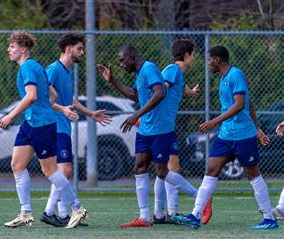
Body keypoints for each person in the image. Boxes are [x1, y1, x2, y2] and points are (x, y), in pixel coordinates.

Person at [172, 46, 278, 230]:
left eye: (209, 60)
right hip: (226, 135)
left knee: (252, 174)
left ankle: (269, 218)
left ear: (217, 60)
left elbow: (240, 105)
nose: (207, 64)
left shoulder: (236, 75)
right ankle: (195, 215)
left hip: (243, 135)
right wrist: (257, 127)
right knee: (211, 169)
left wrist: (215, 122)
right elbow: (249, 103)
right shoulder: (223, 78)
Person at [97, 45, 201, 227]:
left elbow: (160, 93)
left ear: (133, 55)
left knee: (162, 171)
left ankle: (201, 197)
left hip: (160, 129)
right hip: (146, 128)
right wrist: (112, 80)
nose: (121, 64)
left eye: (122, 60)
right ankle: (145, 216)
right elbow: (134, 95)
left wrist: (136, 114)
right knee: (139, 167)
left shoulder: (150, 68)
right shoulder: (140, 74)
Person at [0, 31, 87, 229]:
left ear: (23, 49)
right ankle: (25, 213)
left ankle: (77, 208)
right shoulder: (35, 66)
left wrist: (10, 115)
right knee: (17, 165)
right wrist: (48, 107)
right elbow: (53, 93)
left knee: (50, 171)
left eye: (12, 47)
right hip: (31, 122)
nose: (9, 50)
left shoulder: (28, 67)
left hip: (40, 124)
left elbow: (30, 96)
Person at [41, 33, 112, 227]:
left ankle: (63, 215)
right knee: (65, 169)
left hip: (63, 125)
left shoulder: (67, 71)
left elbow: (68, 100)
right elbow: (42, 97)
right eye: (79, 48)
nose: (82, 52)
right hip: (54, 125)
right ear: (69, 48)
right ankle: (49, 212)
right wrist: (61, 110)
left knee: (63, 171)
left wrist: (90, 113)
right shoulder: (53, 70)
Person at [151, 39, 211, 224]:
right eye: (193, 54)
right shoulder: (172, 70)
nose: (194, 58)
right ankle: (195, 198)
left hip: (164, 126)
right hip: (162, 127)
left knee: (164, 169)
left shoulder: (177, 73)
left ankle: (162, 213)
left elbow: (179, 86)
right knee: (171, 168)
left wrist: (190, 92)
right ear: (186, 55)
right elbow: (161, 89)